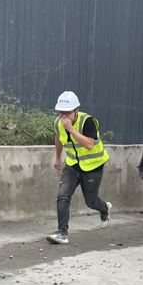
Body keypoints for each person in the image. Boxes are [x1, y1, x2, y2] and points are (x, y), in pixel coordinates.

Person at [47, 91, 111, 244]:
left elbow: (89, 144)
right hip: (72, 165)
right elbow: (59, 138)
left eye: (67, 113)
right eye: (61, 112)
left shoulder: (87, 121)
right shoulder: (58, 123)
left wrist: (71, 129)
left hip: (93, 166)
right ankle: (62, 233)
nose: (64, 116)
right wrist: (57, 157)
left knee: (91, 202)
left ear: (76, 110)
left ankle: (105, 209)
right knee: (63, 195)